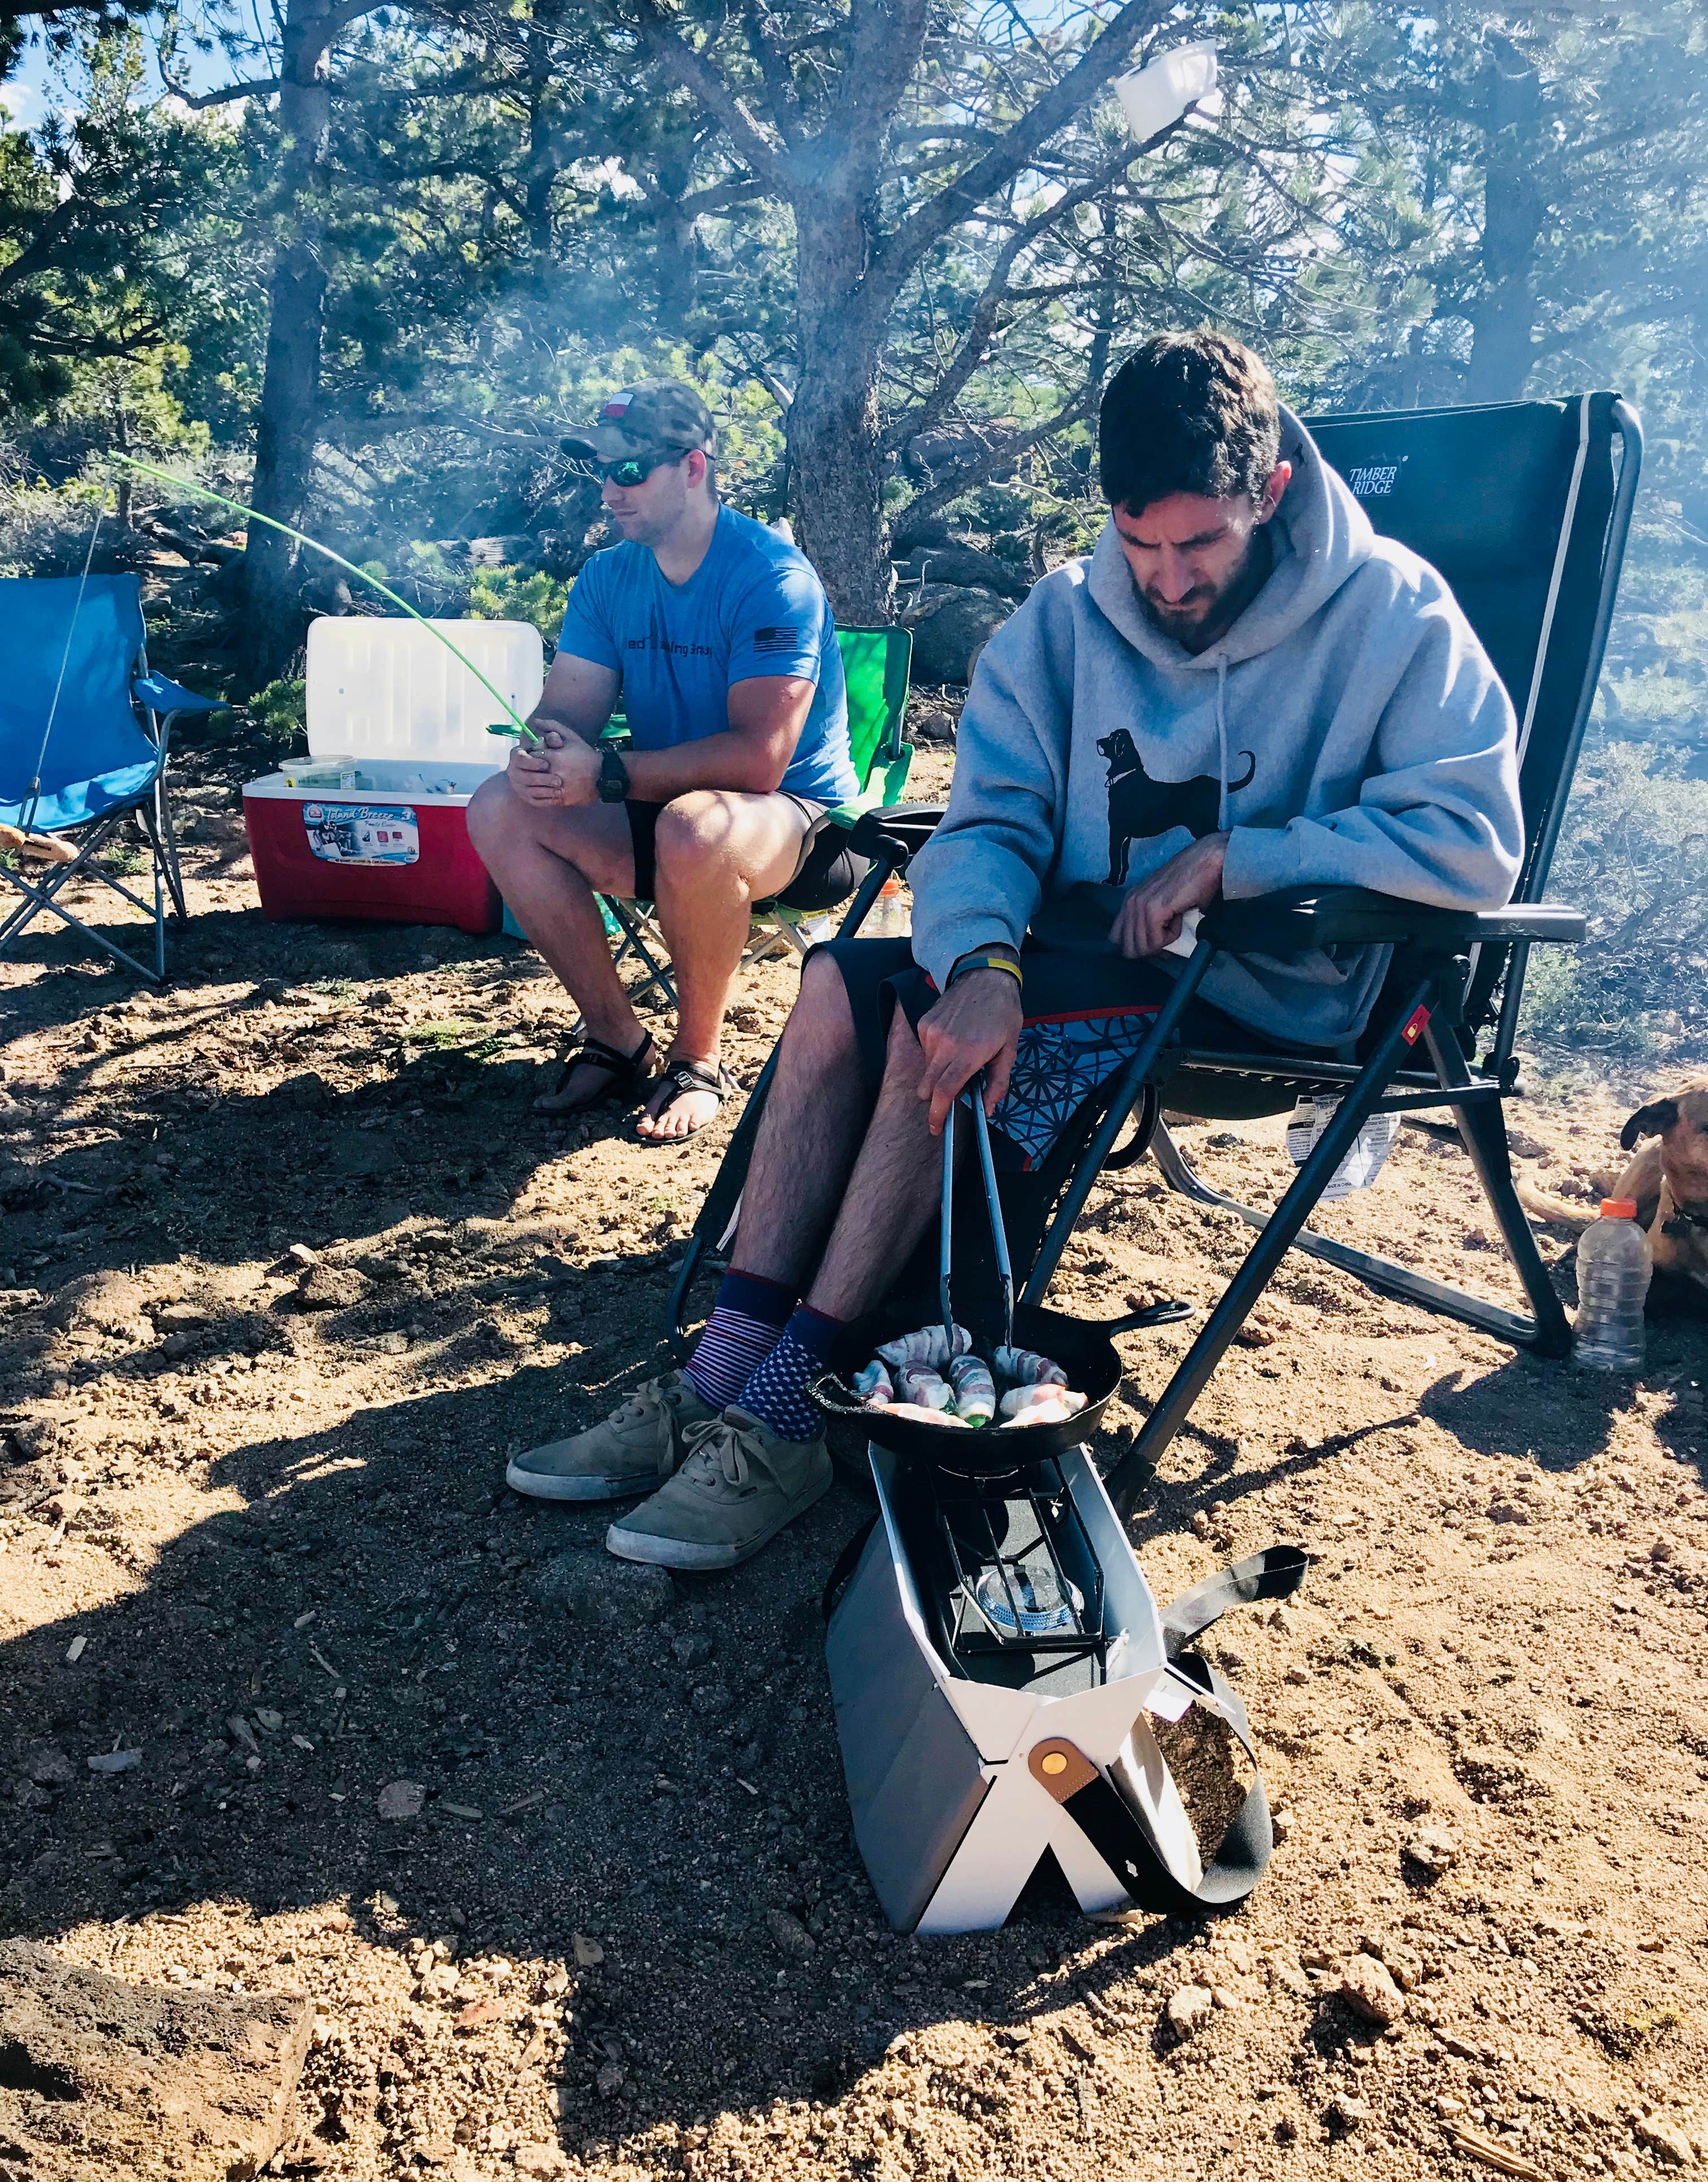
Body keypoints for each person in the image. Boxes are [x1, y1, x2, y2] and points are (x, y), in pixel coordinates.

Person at [507, 329, 1524, 1567]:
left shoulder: (1396, 615)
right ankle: (718, 1376)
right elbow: (988, 824)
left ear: (1271, 493)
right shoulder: (1066, 618)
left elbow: (1473, 841)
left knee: (919, 1037)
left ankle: (790, 1415)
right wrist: (985, 963)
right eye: (1139, 543)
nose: (1167, 579)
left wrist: (1237, 857)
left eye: (1200, 544)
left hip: (1270, 987)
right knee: (835, 986)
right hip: (1076, 958)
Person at [468, 380, 857, 1143]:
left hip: (801, 829)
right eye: (600, 471)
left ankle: (697, 1060)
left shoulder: (773, 578)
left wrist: (606, 774)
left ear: (693, 467)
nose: (609, 491)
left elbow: (759, 760)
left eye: (629, 470)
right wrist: (542, 753)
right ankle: (616, 1038)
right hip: (662, 812)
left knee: (695, 829)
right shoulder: (608, 578)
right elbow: (565, 713)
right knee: (498, 806)